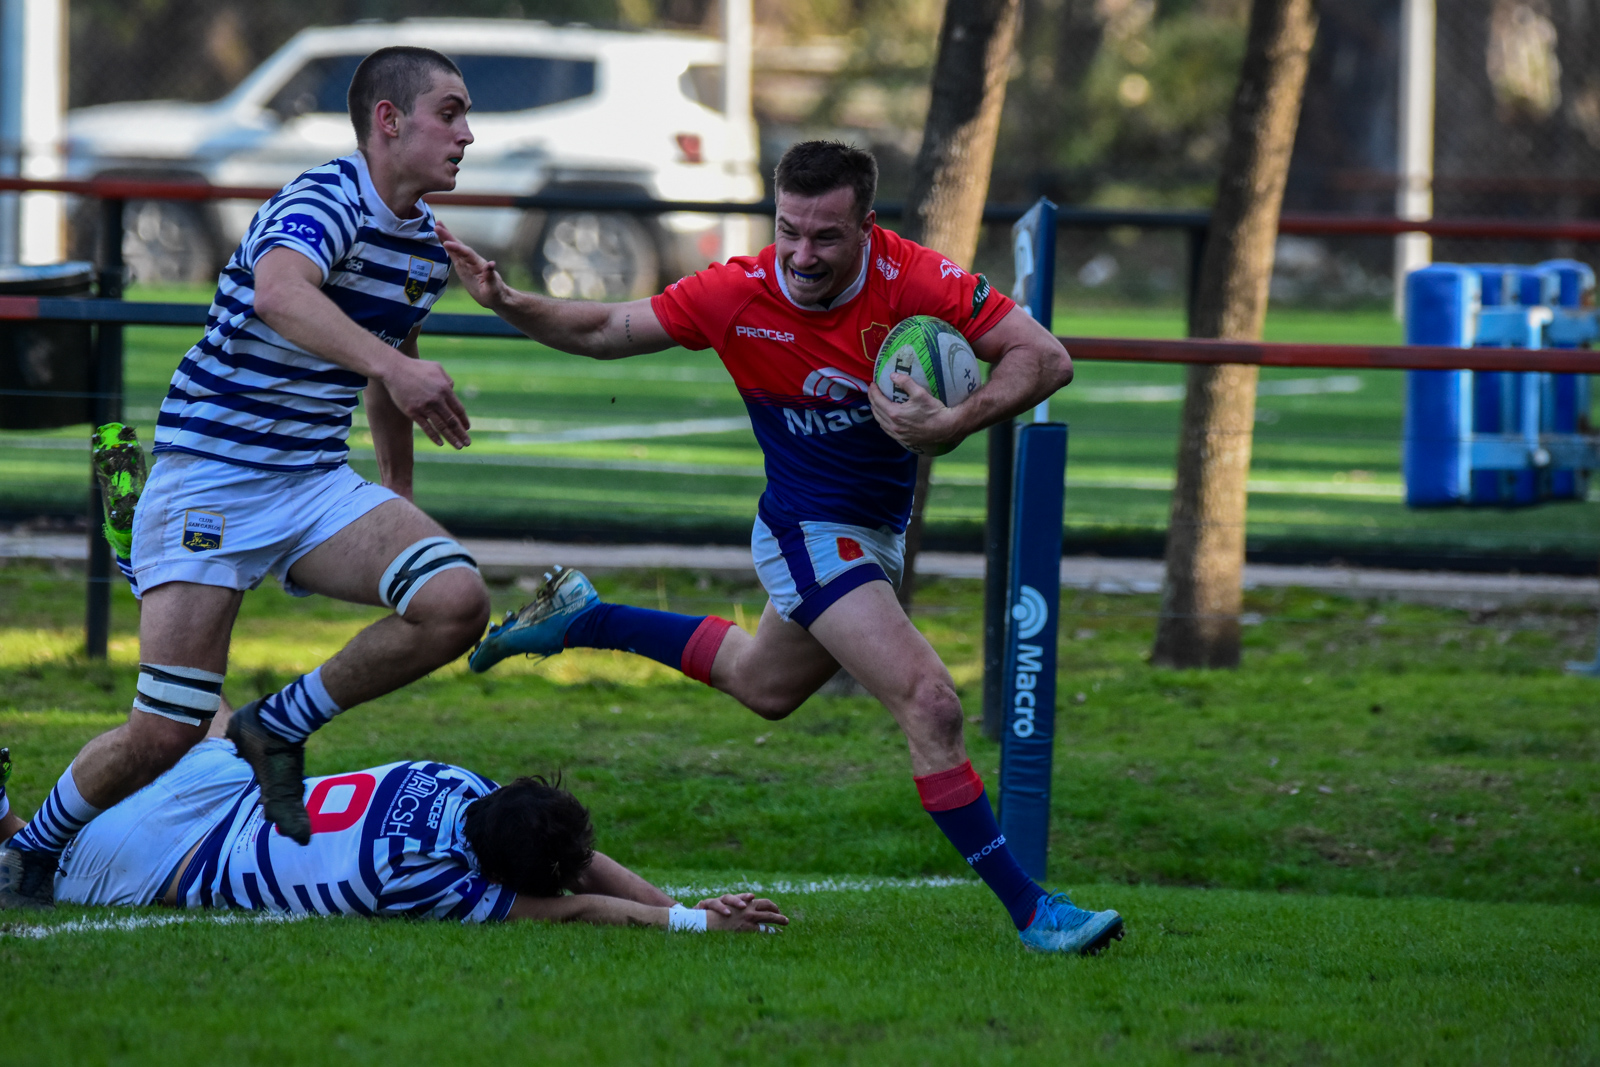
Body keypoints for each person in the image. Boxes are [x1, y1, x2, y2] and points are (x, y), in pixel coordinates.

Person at [440, 141, 1122, 955]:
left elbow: (1046, 356)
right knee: (931, 702)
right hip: (807, 529)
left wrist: (953, 422)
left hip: (873, 532)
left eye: (826, 236)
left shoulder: (918, 282)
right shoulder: (737, 291)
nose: (801, 254)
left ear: (867, 226)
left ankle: (583, 617)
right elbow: (606, 329)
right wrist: (506, 300)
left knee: (763, 684)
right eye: (788, 229)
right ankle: (1034, 911)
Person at [0, 46, 492, 908]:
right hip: (209, 479)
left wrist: (396, 495)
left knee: (454, 600)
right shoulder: (323, 197)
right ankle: (29, 852)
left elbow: (387, 370)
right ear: (388, 121)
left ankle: (279, 724)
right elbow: (279, 295)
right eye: (448, 113)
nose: (467, 133)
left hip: (308, 482)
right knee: (168, 729)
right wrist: (399, 370)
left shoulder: (422, 250)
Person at [0, 715, 784, 932]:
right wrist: (686, 923)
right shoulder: (426, 879)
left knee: (200, 706)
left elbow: (579, 863)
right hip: (174, 856)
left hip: (225, 776)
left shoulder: (459, 780)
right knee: (27, 867)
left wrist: (685, 902)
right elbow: (576, 898)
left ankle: (159, 588)